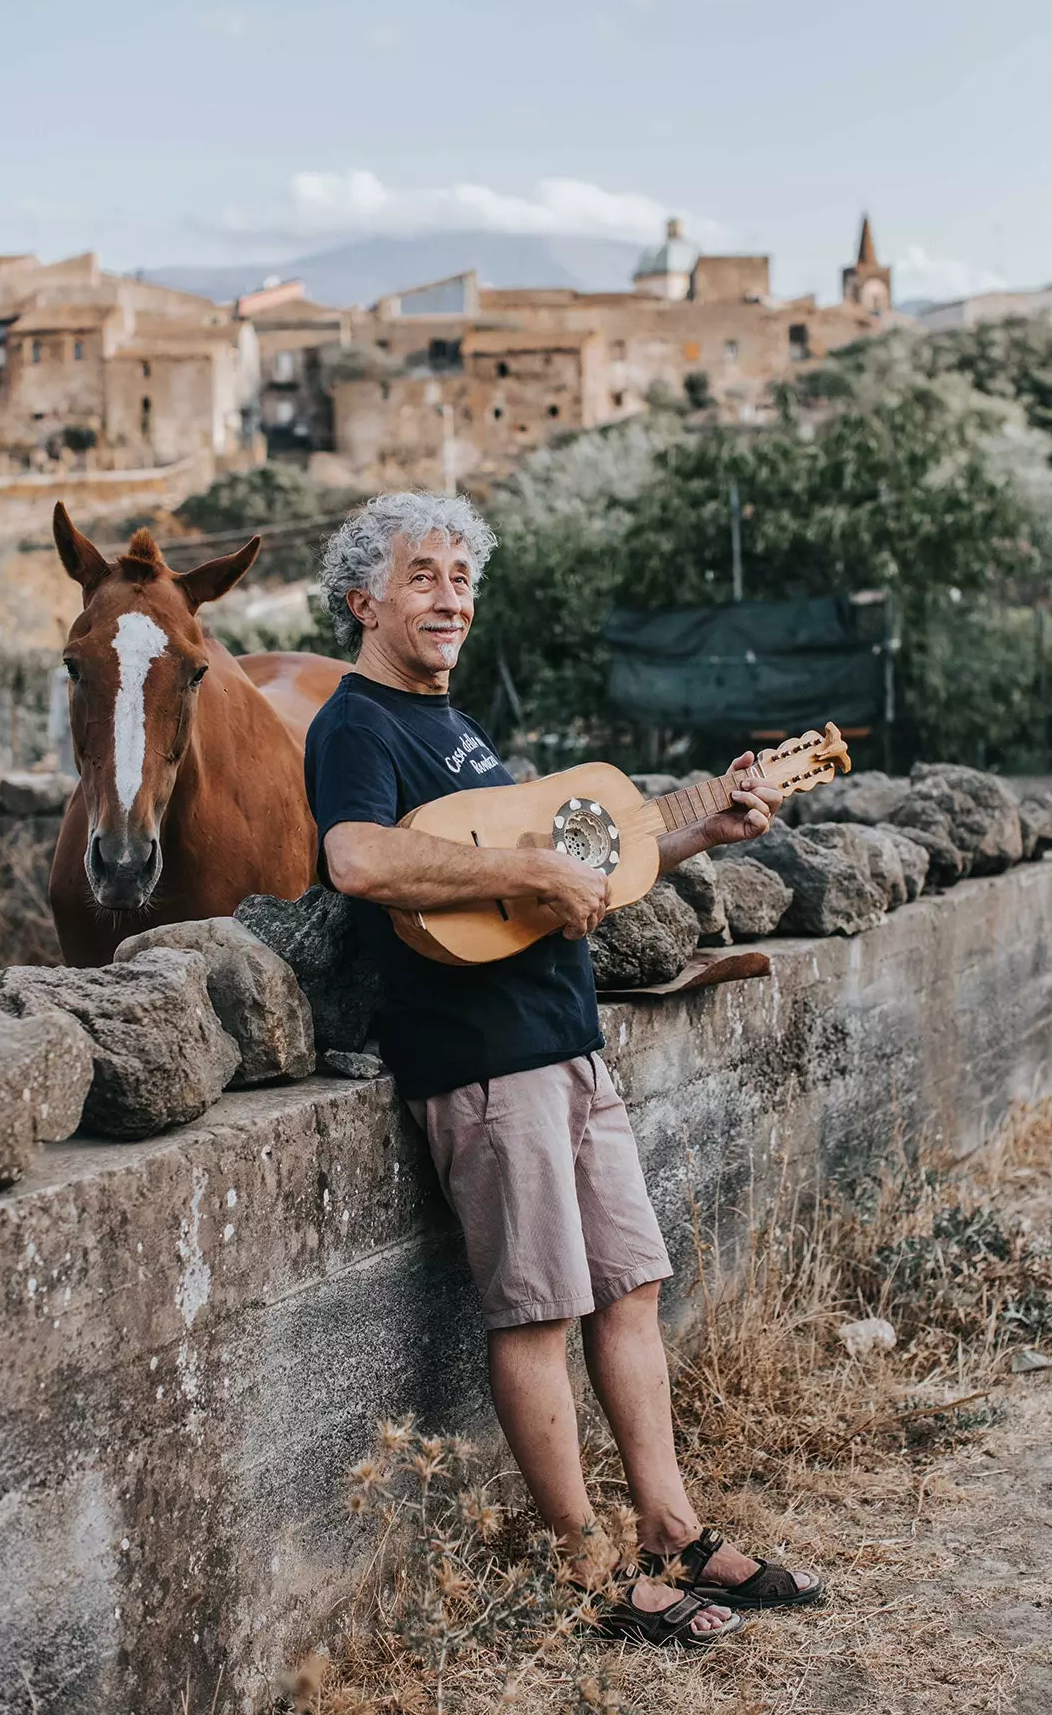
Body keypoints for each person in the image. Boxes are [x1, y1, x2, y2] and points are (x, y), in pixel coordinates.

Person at [305, 492, 822, 1650]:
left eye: (461, 577)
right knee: (538, 1310)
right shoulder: (357, 725)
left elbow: (569, 864)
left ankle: (672, 1532)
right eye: (423, 575)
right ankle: (589, 1573)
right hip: (482, 1062)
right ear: (364, 600)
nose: (451, 596)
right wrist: (536, 864)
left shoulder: (462, 730)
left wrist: (695, 831)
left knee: (630, 1284)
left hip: (565, 1036)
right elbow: (355, 857)